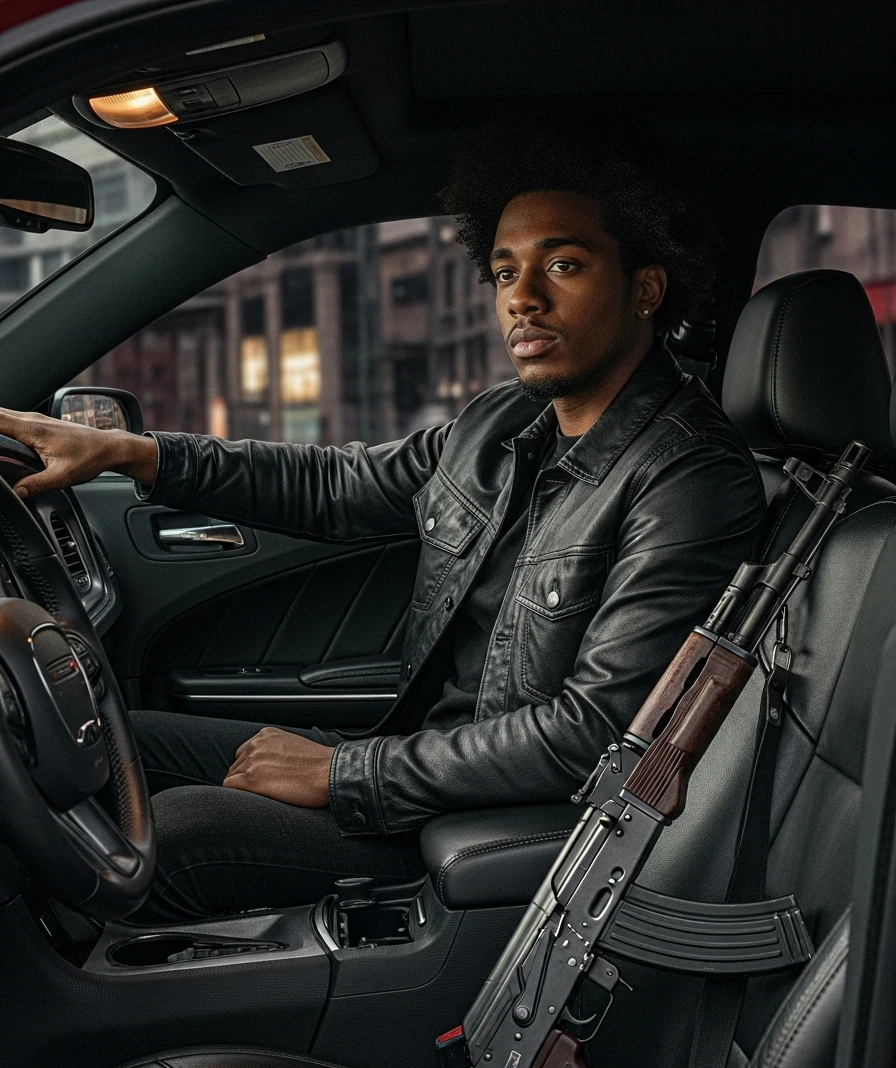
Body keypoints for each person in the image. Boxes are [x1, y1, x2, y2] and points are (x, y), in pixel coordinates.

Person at [0, 120, 766, 922]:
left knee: (168, 835)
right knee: (110, 736)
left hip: (488, 820)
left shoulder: (690, 477)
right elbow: (338, 485)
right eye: (504, 271)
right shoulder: (504, 424)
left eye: (563, 265)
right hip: (422, 763)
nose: (523, 298)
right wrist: (127, 451)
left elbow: (592, 734)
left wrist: (343, 776)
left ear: (646, 287)